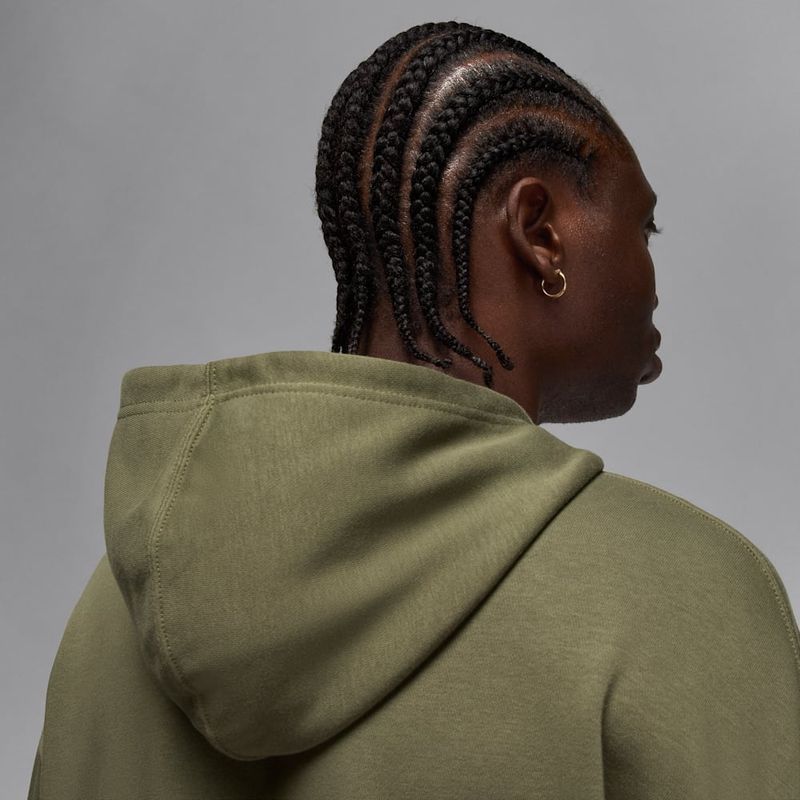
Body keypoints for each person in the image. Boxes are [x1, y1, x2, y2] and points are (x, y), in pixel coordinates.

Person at [27, 20, 800, 800]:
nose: (654, 279)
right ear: (539, 231)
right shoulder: (685, 596)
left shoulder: (126, 611)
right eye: (643, 227)